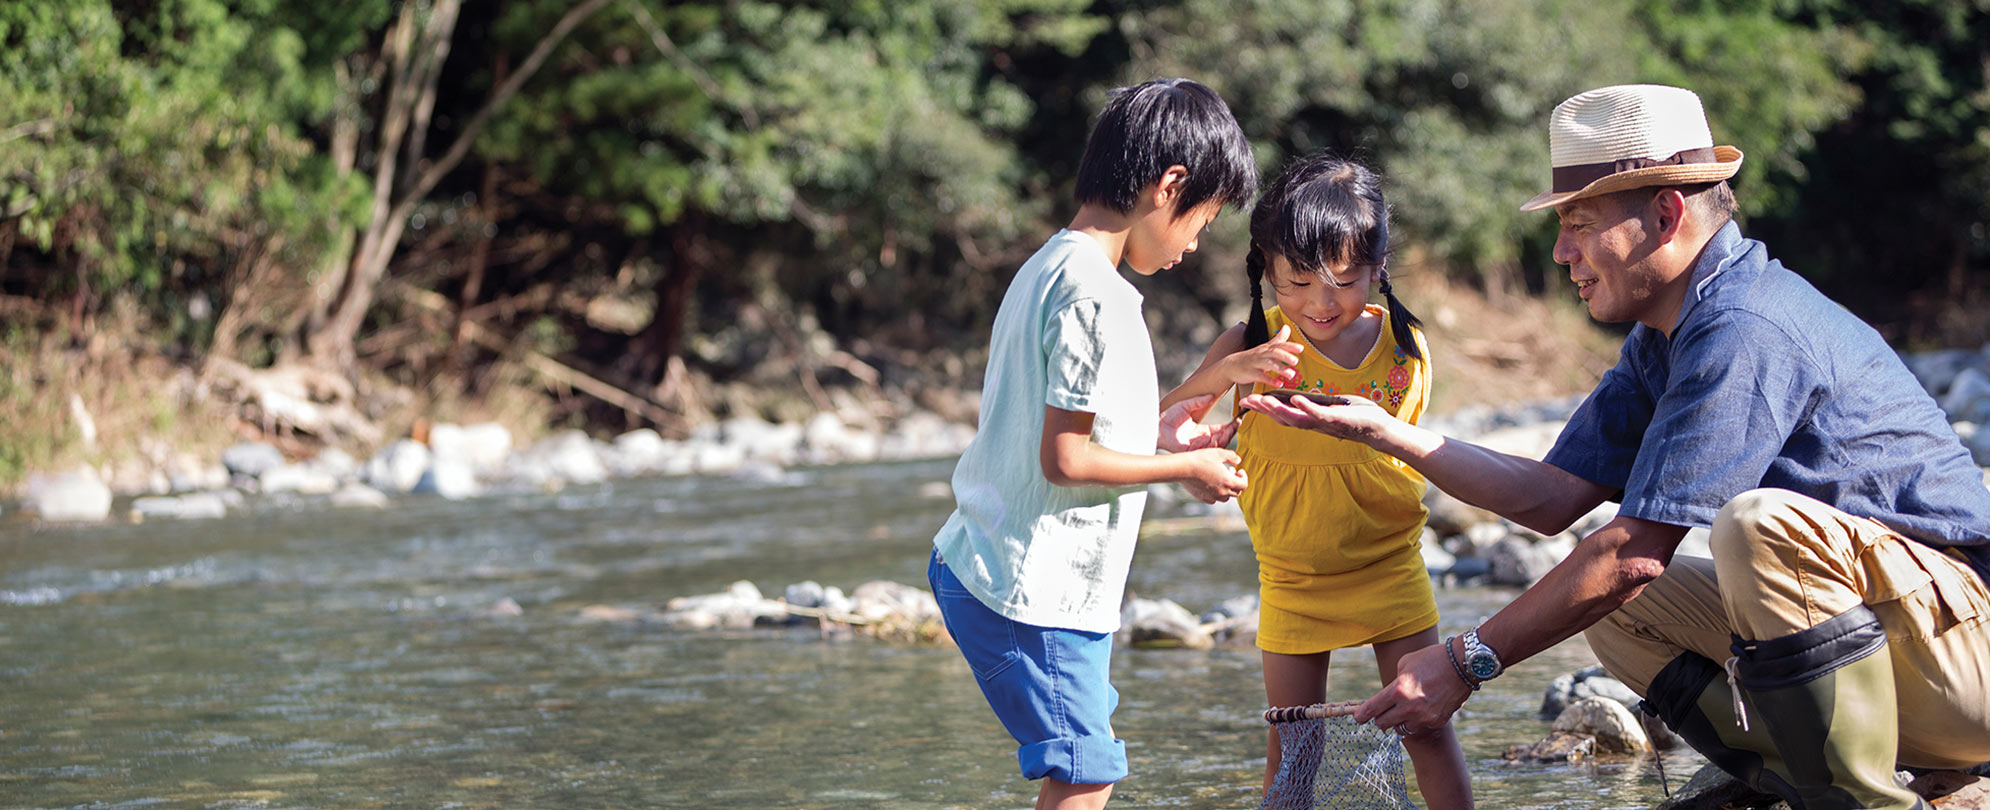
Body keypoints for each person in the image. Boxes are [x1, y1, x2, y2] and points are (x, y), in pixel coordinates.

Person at [1241, 83, 1990, 810]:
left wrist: (1466, 661)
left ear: (1666, 214)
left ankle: (1861, 800)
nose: (1562, 251)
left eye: (1580, 223)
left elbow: (1634, 552)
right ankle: (1794, 776)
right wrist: (1385, 433)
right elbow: (1550, 498)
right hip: (1903, 657)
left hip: (1966, 661)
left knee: (1756, 528)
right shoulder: (1664, 335)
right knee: (1603, 603)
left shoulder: (1747, 326)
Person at [927, 76, 1259, 810]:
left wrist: (1171, 427)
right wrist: (1183, 466)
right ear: (1168, 186)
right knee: (1086, 770)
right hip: (1031, 588)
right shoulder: (1096, 298)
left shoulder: (1051, 266)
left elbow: (1076, 425)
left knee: (1083, 759)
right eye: (1202, 220)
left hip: (993, 559)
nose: (1195, 244)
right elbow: (1067, 459)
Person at [1159, 153, 1471, 808]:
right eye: (1294, 283)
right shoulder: (1248, 344)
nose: (1318, 303)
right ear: (1265, 273)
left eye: (1344, 281)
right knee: (1293, 745)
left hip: (1390, 569)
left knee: (1427, 728)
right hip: (1291, 579)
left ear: (1379, 267)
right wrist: (1204, 432)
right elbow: (1168, 423)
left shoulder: (1404, 348)